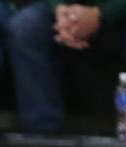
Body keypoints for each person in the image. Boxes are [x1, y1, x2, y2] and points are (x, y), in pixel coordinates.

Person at [9, 0, 126, 133]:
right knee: (27, 26)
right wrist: (60, 9)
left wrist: (101, 14)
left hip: (119, 13)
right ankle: (43, 136)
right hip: (64, 12)